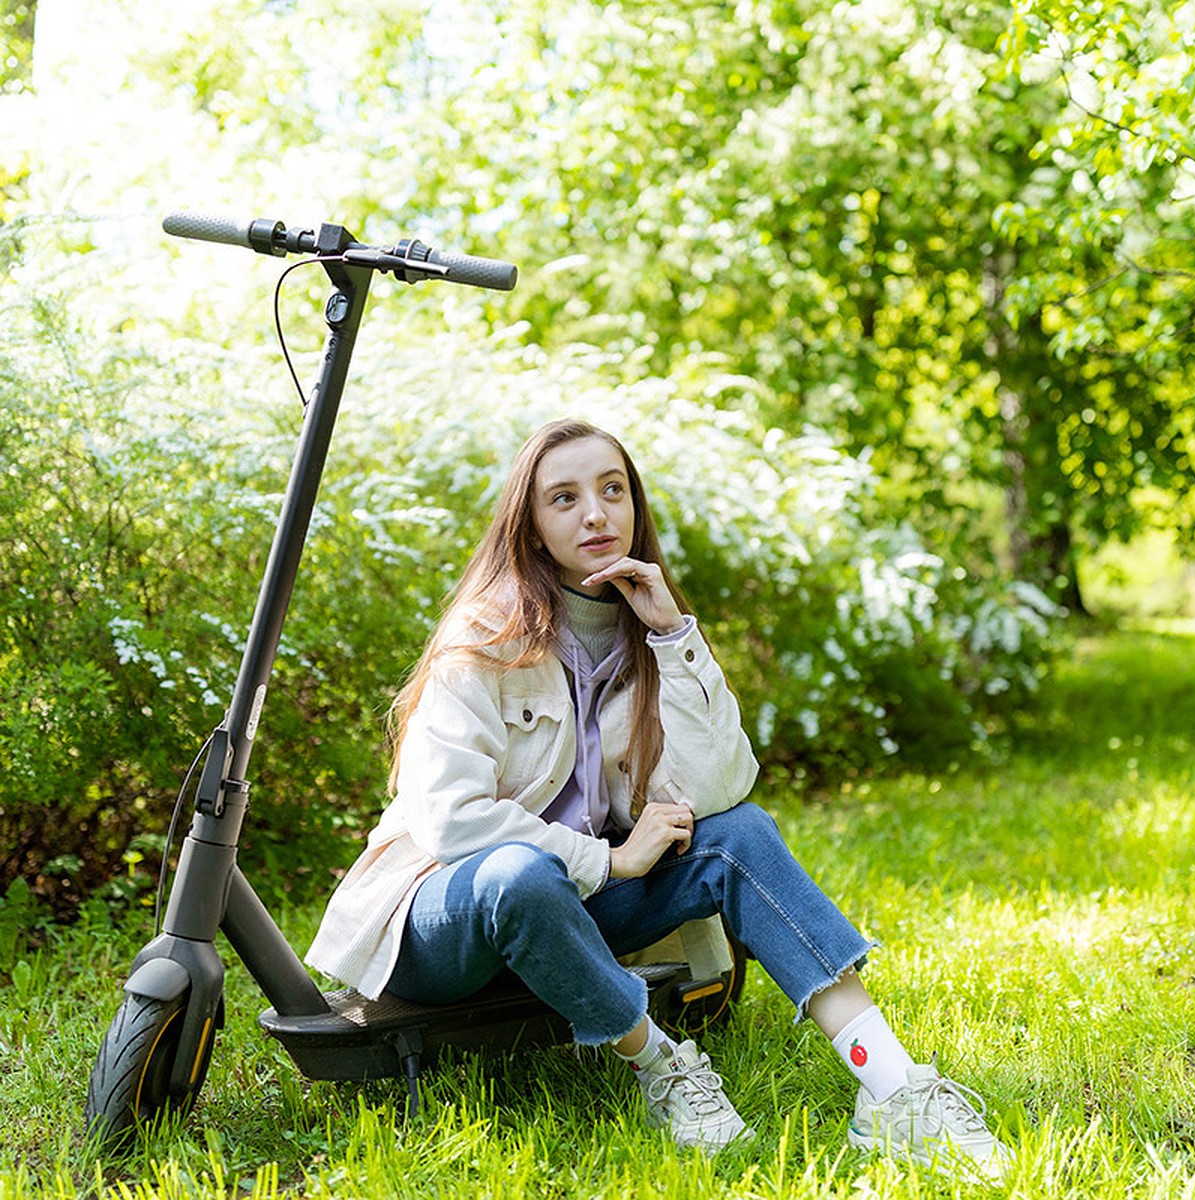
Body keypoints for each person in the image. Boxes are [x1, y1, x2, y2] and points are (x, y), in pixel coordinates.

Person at [306, 418, 1012, 1180]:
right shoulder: (482, 640)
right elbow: (450, 819)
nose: (596, 514)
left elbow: (722, 789)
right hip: (445, 922)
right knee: (521, 874)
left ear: (636, 507)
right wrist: (609, 859)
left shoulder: (646, 636)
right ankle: (664, 1067)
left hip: (572, 912)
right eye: (565, 498)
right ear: (534, 528)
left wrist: (675, 636)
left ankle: (894, 1087)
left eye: (613, 491)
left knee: (738, 833)